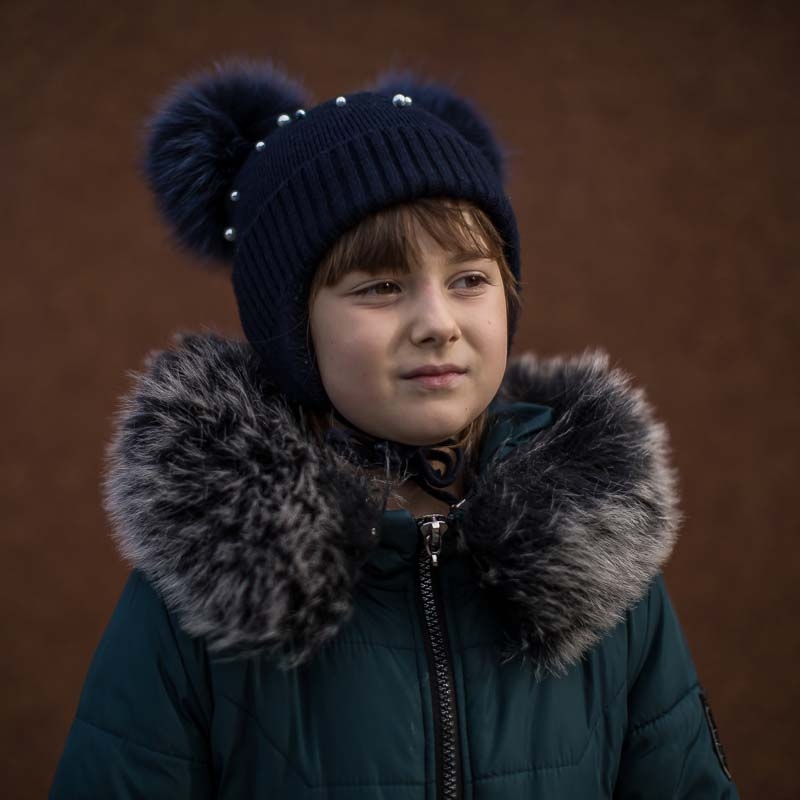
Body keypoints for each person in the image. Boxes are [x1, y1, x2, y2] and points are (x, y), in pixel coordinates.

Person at [50, 60, 738, 798]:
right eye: (379, 287)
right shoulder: (199, 600)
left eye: (469, 279)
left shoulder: (604, 568)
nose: (437, 324)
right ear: (292, 333)